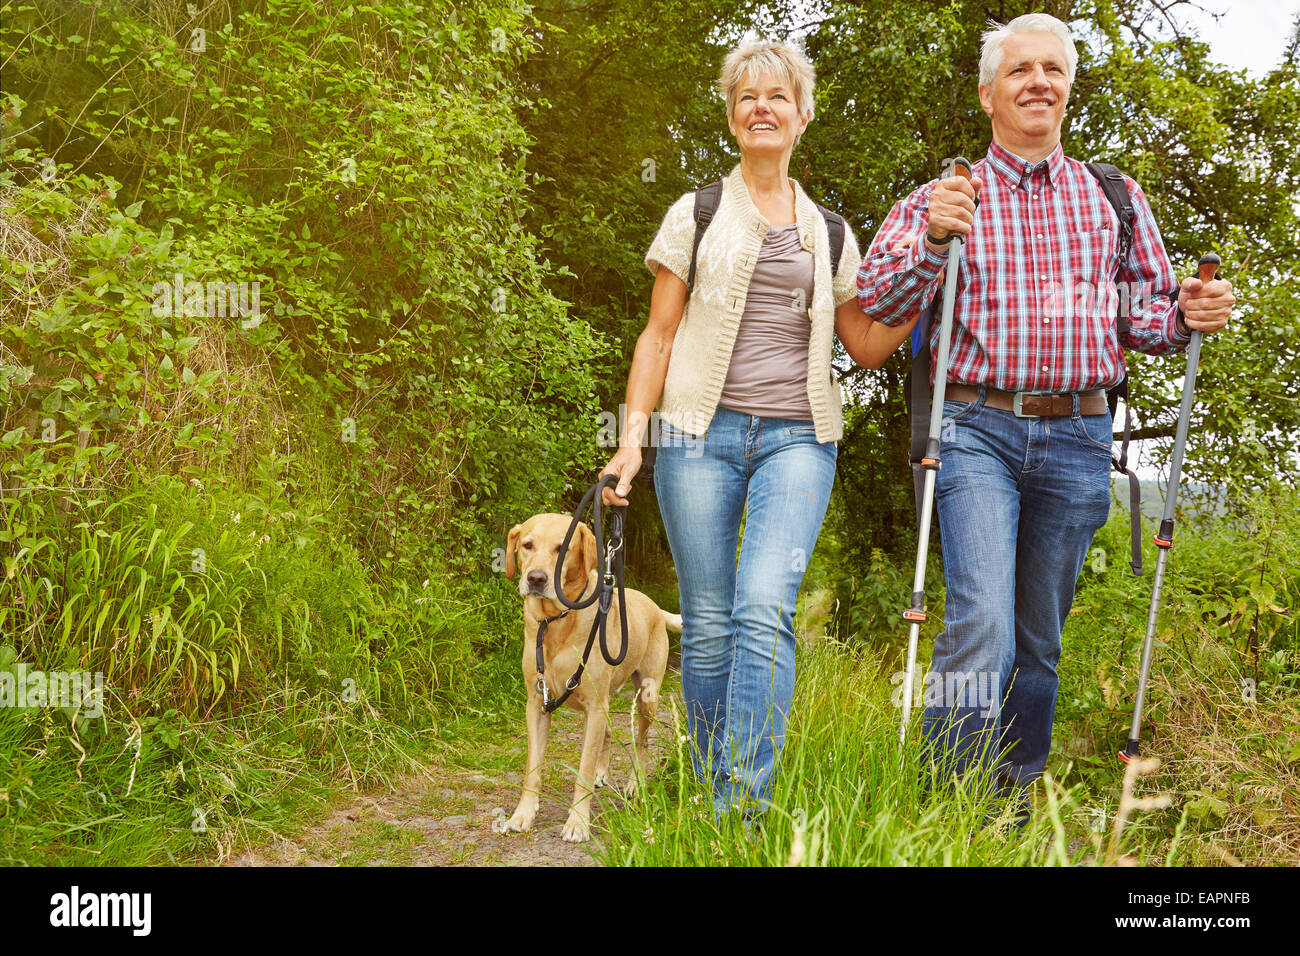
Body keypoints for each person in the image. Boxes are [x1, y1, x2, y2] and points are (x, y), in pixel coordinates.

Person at [857, 13, 1235, 809]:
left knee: (1039, 640)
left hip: (1079, 434)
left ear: (1067, 89)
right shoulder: (943, 197)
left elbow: (1149, 318)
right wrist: (931, 241)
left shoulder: (1113, 197)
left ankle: (1016, 794)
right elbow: (878, 308)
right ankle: (949, 802)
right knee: (981, 624)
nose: (1038, 82)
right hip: (974, 430)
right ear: (990, 91)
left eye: (1053, 70)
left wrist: (1193, 311)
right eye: (1021, 70)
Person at [599, 39, 917, 817]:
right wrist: (632, 437)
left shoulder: (835, 233)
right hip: (693, 438)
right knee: (706, 621)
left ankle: (742, 806)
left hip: (797, 440)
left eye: (778, 96)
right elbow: (659, 337)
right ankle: (707, 789)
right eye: (747, 97)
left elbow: (867, 347)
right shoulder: (697, 212)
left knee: (765, 605)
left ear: (803, 116)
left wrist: (926, 277)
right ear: (733, 116)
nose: (763, 107)